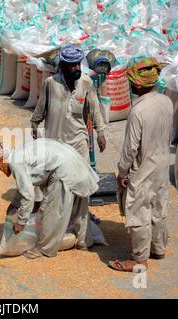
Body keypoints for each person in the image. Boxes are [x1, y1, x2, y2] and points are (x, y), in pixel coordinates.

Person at [30, 43, 107, 249]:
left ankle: (82, 238)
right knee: (56, 189)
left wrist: (100, 132)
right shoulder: (50, 84)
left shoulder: (86, 83)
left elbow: (94, 109)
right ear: (62, 66)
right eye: (71, 65)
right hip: (55, 145)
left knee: (81, 189)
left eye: (77, 65)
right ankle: (57, 230)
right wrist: (34, 124)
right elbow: (40, 107)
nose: (76, 68)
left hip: (78, 143)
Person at [108, 56, 172, 272]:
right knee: (159, 207)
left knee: (138, 213)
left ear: (136, 83)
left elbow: (130, 149)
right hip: (162, 164)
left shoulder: (138, 111)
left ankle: (139, 261)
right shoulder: (166, 101)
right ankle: (159, 249)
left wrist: (122, 172)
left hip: (143, 168)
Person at [0, 138, 99, 259]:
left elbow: (28, 195)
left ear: (2, 160)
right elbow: (26, 184)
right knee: (79, 208)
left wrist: (21, 221)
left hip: (62, 171)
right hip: (72, 161)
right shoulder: (19, 153)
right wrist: (15, 203)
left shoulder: (15, 162)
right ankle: (84, 242)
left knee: (53, 213)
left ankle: (45, 249)